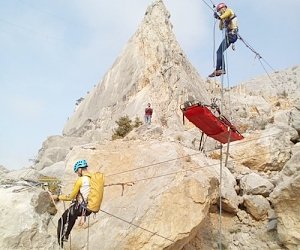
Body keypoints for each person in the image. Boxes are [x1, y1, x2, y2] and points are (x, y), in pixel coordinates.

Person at [52, 160, 92, 248]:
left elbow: (70, 197)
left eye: (77, 171)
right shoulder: (92, 179)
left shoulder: (81, 180)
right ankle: (66, 235)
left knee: (61, 221)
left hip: (81, 207)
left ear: (80, 169)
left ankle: (60, 244)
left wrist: (58, 197)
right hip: (89, 209)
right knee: (71, 215)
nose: (77, 173)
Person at [209, 3, 238, 77]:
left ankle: (220, 68)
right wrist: (221, 20)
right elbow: (220, 28)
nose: (220, 12)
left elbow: (223, 15)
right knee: (219, 52)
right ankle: (219, 69)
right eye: (219, 11)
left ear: (224, 8)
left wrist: (220, 17)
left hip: (232, 35)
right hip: (229, 36)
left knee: (219, 52)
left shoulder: (229, 11)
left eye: (220, 10)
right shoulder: (224, 17)